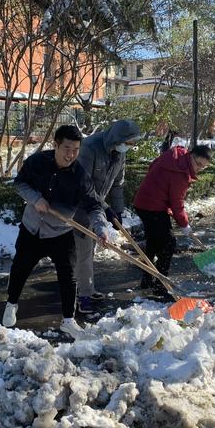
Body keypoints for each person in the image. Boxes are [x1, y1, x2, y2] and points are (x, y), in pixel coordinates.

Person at [2, 125, 108, 337]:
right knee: (20, 268)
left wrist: (101, 227)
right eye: (66, 148)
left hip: (60, 232)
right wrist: (35, 199)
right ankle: (11, 304)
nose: (71, 154)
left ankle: (68, 320)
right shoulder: (37, 162)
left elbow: (94, 206)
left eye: (75, 150)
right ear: (55, 145)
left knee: (69, 277)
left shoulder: (80, 176)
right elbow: (20, 183)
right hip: (32, 228)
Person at [74, 119, 142, 314]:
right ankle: (83, 296)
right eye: (129, 143)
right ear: (118, 139)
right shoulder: (90, 148)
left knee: (90, 249)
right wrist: (106, 208)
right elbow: (84, 186)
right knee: (83, 251)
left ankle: (86, 288)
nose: (131, 147)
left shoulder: (118, 153)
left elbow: (118, 184)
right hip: (79, 205)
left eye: (132, 143)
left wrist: (118, 211)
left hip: (97, 205)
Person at [133, 144, 213, 296]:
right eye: (198, 164)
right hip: (152, 206)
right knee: (169, 244)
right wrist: (185, 225)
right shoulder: (181, 173)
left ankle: (147, 280)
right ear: (191, 155)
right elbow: (177, 203)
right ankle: (160, 286)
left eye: (203, 167)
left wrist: (160, 192)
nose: (199, 168)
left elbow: (153, 166)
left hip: (144, 202)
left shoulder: (175, 156)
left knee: (154, 242)